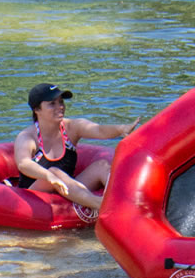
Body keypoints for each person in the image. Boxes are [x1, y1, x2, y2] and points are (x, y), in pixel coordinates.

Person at [15, 83, 139, 213]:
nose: (60, 107)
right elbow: (23, 163)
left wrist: (121, 129)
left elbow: (99, 130)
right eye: (52, 104)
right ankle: (103, 205)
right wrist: (48, 176)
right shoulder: (27, 137)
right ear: (37, 109)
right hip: (34, 194)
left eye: (61, 102)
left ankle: (126, 201)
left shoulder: (72, 128)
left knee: (101, 166)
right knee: (54, 172)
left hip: (67, 188)